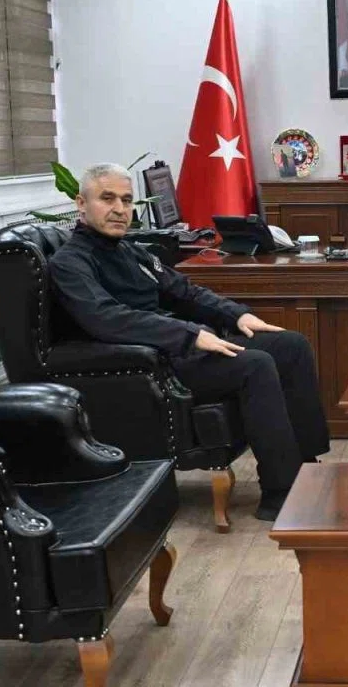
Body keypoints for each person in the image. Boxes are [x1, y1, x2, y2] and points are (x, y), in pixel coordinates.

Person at [49, 163, 330, 521]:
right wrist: (190, 335)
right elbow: (106, 318)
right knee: (255, 365)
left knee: (291, 345)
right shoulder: (70, 263)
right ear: (81, 203)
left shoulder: (130, 251)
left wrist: (236, 316)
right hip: (151, 363)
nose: (120, 209)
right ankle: (281, 495)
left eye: (127, 200)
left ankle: (307, 469)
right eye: (107, 199)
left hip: (176, 345)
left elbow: (184, 291)